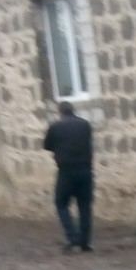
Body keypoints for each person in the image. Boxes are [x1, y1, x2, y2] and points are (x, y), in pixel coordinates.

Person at [43, 100, 94, 252]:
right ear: (73, 110)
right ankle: (85, 242)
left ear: (60, 112)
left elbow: (47, 145)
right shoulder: (85, 125)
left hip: (66, 171)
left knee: (61, 203)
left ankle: (72, 237)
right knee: (84, 206)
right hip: (85, 169)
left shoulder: (55, 126)